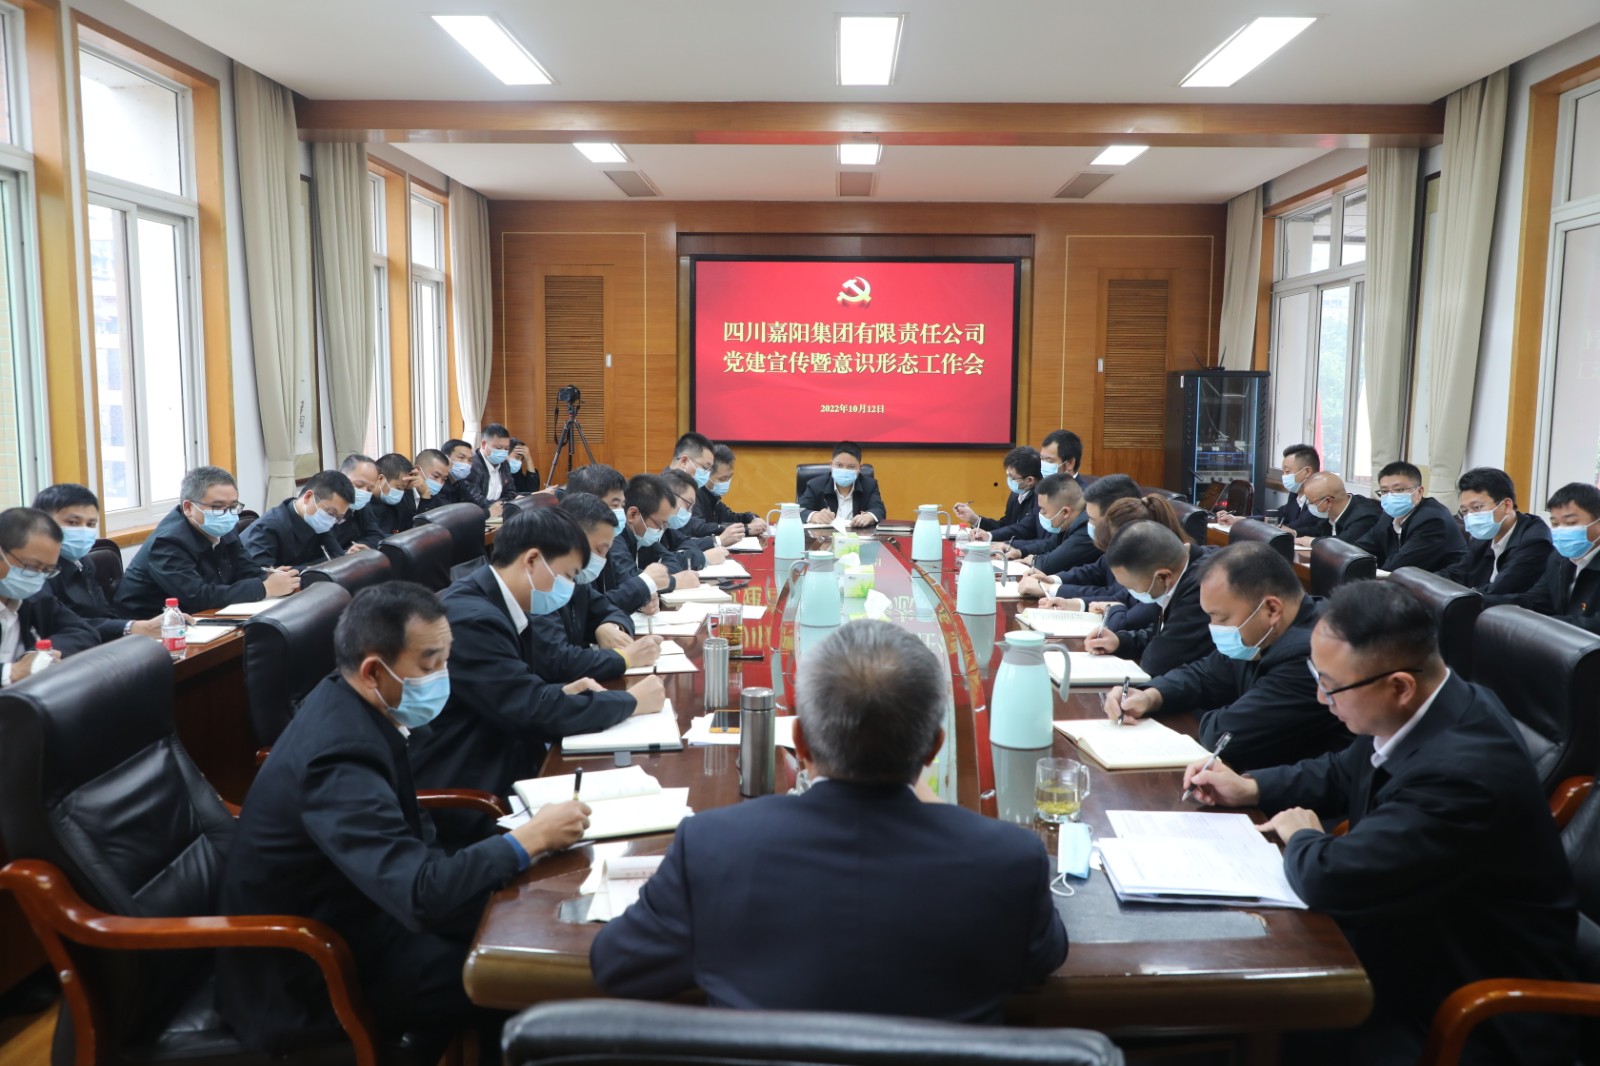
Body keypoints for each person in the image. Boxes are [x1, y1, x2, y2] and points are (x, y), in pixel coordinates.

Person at [590, 620, 1068, 1021]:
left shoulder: (712, 846)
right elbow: (1040, 962)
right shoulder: (1008, 859)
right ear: (933, 749)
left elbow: (615, 964)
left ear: (799, 742)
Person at [1184, 581, 1577, 1065]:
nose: (1321, 697)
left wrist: (1302, 834)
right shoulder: (1433, 705)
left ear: (1400, 686)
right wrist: (1251, 787)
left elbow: (1332, 878)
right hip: (1408, 939)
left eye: (1331, 685)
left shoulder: (1462, 774)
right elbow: (1341, 770)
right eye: (1317, 676)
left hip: (1463, 1008)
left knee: (1248, 1012)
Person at [216, 581, 592, 1062]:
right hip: (315, 974)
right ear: (374, 670)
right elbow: (419, 894)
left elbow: (412, 851)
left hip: (369, 915)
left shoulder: (355, 704)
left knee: (530, 919)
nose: (443, 677)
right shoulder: (338, 758)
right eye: (430, 665)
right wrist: (527, 840)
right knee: (526, 971)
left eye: (447, 660)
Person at [407, 507, 666, 805]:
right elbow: (531, 710)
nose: (569, 588)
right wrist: (631, 702)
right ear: (531, 560)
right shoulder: (473, 619)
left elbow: (515, 692)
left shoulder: (499, 602)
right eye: (567, 576)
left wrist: (559, 693)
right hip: (474, 789)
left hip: (505, 756)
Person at [1105, 543, 1351, 771]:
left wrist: (1212, 712)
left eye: (1221, 618)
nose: (1213, 628)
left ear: (1272, 609)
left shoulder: (1311, 654)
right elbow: (1205, 673)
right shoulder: (1263, 634)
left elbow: (1225, 736)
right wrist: (1150, 695)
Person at [117, 466, 299, 616]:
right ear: (188, 507)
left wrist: (271, 576)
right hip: (150, 627)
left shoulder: (224, 527)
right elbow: (198, 596)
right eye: (217, 507)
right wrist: (264, 588)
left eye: (233, 506)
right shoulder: (167, 543)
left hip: (198, 617)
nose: (227, 514)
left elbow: (247, 569)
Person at [524, 492, 662, 684]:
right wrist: (626, 658)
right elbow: (557, 662)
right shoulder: (537, 586)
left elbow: (611, 610)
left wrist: (607, 626)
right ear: (572, 538)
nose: (602, 560)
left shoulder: (574, 580)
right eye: (599, 550)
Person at [34, 484, 176, 643]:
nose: (83, 531)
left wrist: (134, 629)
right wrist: (131, 627)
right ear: (43, 523)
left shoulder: (82, 561)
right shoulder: (35, 571)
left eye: (90, 524)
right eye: (73, 523)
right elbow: (63, 626)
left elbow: (104, 614)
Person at [1083, 520, 1213, 677]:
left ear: (1163, 577)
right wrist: (1120, 642)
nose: (1131, 593)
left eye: (1132, 587)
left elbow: (1157, 662)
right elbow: (1162, 632)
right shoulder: (1178, 570)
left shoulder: (1204, 586)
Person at [0, 508, 98, 683]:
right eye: (32, 566)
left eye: (47, 570)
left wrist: (38, 656)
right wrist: (10, 672)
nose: (37, 577)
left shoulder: (34, 597)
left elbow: (84, 632)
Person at [1019, 473, 1142, 605]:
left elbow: (1114, 595)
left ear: (1115, 519)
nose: (1088, 524)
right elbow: (1095, 571)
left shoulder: (1141, 549)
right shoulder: (1118, 543)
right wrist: (1052, 580)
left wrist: (1050, 589)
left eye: (1092, 519)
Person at [567, 464, 670, 615]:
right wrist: (644, 584)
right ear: (586, 502)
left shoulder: (609, 540)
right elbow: (591, 611)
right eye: (614, 505)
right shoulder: (566, 552)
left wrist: (637, 600)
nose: (620, 513)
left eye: (622, 505)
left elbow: (601, 605)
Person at [1507, 482, 1600, 632]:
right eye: (1555, 524)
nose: (1561, 530)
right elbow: (1536, 600)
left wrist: (1540, 624)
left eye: (1570, 523)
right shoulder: (1559, 559)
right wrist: (1485, 603)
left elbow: (1595, 625)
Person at [1449, 467, 1552, 599]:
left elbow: (1500, 590)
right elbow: (1458, 572)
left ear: (1507, 506)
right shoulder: (1484, 535)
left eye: (1477, 507)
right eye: (1465, 511)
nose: (1470, 516)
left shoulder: (1535, 542)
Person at [1357, 461, 1467, 575]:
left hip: (1443, 583)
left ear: (1419, 492)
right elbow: (1362, 548)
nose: (1390, 497)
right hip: (1410, 580)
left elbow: (1398, 568)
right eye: (1384, 491)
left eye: (1399, 490)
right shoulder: (1389, 516)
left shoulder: (1433, 520)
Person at [240, 470, 356, 569]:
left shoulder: (319, 524)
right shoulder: (267, 529)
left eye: (338, 518)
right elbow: (265, 577)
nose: (331, 521)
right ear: (308, 497)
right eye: (330, 513)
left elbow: (338, 559)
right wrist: (319, 566)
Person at [618, 473, 702, 593]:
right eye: (659, 524)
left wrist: (655, 580)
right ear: (633, 514)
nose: (661, 529)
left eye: (665, 524)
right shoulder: (615, 537)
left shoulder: (644, 538)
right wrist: (673, 582)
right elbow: (628, 581)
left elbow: (673, 563)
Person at [1219, 444, 1325, 535]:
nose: (1284, 476)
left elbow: (1308, 529)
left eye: (1287, 472)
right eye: (1283, 472)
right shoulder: (1295, 495)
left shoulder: (1322, 499)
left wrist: (1287, 530)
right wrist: (1238, 520)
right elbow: (1274, 517)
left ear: (1307, 472)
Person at [958, 446, 1041, 542]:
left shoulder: (1041, 497)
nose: (1009, 480)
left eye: (1012, 477)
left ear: (1029, 480)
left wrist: (989, 536)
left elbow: (1024, 529)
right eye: (1008, 474)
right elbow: (1006, 525)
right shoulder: (1016, 494)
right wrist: (974, 519)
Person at [799, 442, 884, 528]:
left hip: (857, 535)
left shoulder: (869, 485)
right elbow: (798, 511)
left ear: (859, 468)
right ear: (831, 465)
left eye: (851, 466)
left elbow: (879, 510)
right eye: (839, 465)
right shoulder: (816, 485)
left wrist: (869, 516)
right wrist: (815, 516)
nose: (844, 470)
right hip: (825, 535)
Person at [1028, 475, 1098, 576]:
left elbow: (1050, 565)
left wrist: (1034, 560)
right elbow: (1050, 545)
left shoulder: (1088, 527)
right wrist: (1021, 552)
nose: (1040, 513)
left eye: (1043, 510)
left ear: (1065, 512)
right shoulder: (1068, 521)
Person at [696, 442, 768, 536]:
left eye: (729, 477)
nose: (727, 482)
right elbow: (700, 528)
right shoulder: (694, 496)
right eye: (723, 478)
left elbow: (732, 517)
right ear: (706, 474)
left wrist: (753, 518)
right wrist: (746, 529)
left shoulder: (713, 498)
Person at [1293, 472, 1381, 547]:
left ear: (1328, 501)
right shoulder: (1331, 512)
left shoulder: (1365, 516)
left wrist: (1311, 541)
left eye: (1311, 502)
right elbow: (1317, 530)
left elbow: (1344, 543)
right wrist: (1294, 533)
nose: (1309, 505)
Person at [330, 454, 387, 554]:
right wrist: (345, 554)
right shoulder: (324, 508)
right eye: (359, 485)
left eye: (370, 489)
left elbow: (376, 535)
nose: (364, 492)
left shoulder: (362, 505)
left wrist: (361, 546)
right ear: (341, 477)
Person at [465, 423, 518, 507]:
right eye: (499, 448)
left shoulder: (504, 464)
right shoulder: (471, 466)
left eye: (507, 449)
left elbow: (511, 492)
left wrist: (502, 504)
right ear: (484, 444)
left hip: (500, 511)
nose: (503, 452)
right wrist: (501, 504)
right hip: (478, 513)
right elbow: (475, 500)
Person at [368, 452, 421, 535]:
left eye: (404, 489)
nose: (401, 493)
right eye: (399, 488)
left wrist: (424, 494)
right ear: (381, 478)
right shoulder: (363, 505)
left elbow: (413, 530)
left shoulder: (401, 503)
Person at [442, 438, 499, 515]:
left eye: (470, 460)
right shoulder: (438, 484)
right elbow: (451, 515)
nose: (466, 463)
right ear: (446, 459)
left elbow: (473, 505)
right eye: (461, 457)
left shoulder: (460, 482)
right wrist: (488, 513)